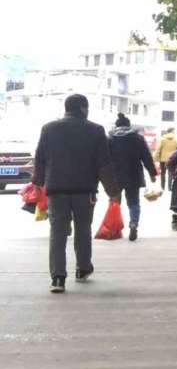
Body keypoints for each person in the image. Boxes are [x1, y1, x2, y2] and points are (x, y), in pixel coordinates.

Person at [32, 94, 120, 293]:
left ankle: (58, 278)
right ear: (83, 108)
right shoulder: (95, 130)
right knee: (83, 230)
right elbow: (104, 164)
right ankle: (82, 269)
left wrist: (37, 184)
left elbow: (40, 158)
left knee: (57, 232)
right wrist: (113, 191)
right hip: (84, 190)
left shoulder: (48, 129)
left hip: (56, 190)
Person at [108, 113, 157, 242]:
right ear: (129, 125)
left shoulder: (110, 138)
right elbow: (146, 156)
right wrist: (152, 173)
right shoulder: (137, 138)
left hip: (115, 176)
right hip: (133, 175)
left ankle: (114, 228)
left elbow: (104, 159)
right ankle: (134, 223)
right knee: (134, 202)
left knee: (114, 202)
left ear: (116, 126)